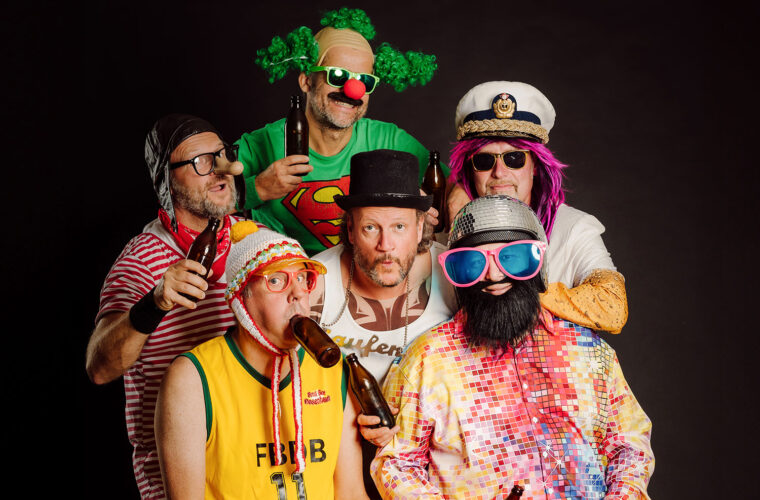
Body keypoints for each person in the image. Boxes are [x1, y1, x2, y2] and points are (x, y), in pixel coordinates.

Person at [372, 195, 654, 499]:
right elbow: (397, 464)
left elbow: (629, 445)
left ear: (538, 262)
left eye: (512, 258)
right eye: (474, 263)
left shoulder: (589, 351)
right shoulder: (427, 360)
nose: (494, 276)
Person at [85, 114, 244, 498]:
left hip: (249, 471)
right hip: (180, 482)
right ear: (167, 182)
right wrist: (153, 303)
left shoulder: (256, 242)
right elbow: (99, 368)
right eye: (201, 161)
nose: (221, 170)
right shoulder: (142, 260)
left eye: (222, 155)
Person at [155, 223, 367, 499]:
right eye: (276, 280)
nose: (297, 293)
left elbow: (351, 493)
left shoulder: (334, 368)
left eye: (303, 278)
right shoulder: (190, 379)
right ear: (241, 297)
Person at [237, 8, 446, 255]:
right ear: (306, 81)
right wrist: (257, 188)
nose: (352, 90)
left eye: (364, 81)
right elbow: (201, 197)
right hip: (289, 271)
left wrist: (446, 199)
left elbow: (459, 184)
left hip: (367, 270)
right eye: (337, 75)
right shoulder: (262, 144)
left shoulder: (388, 139)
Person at [310, 149, 457, 497]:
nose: (385, 245)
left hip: (435, 465)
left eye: (399, 227)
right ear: (350, 228)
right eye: (370, 227)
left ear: (420, 227)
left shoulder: (454, 275)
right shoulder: (314, 281)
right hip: (338, 462)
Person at [447, 81, 628, 334]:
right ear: (471, 169)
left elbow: (612, 306)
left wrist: (521, 294)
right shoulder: (452, 229)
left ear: (535, 165)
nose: (499, 173)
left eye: (514, 158)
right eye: (484, 160)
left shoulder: (573, 229)